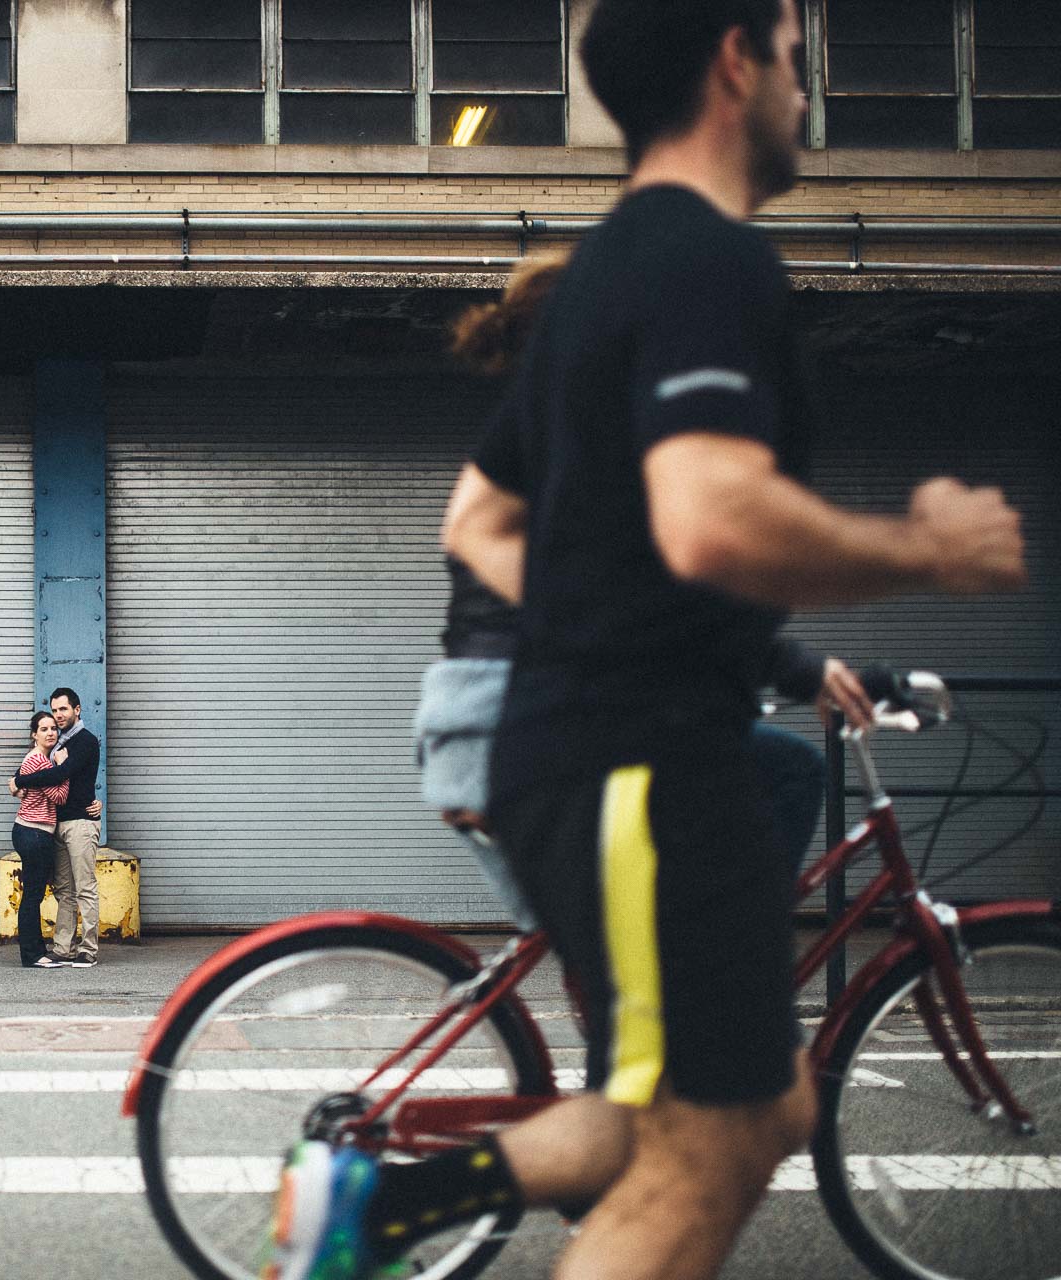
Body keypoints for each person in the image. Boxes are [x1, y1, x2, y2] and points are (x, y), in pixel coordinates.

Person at [270, 3, 1026, 1279]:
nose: (806, 82)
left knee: (758, 1110)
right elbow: (713, 519)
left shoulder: (602, 281)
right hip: (641, 768)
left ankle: (378, 1211)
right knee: (698, 1151)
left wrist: (607, 617)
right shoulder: (704, 260)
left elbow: (482, 514)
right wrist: (930, 548)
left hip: (604, 752)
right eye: (796, 50)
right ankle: (379, 1208)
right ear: (737, 57)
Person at [418, 261, 876, 932]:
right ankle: (739, 966)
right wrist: (800, 668)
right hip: (536, 732)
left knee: (627, 969)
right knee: (784, 778)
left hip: (466, 734)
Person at [10, 688, 104, 968]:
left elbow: (60, 775)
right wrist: (18, 777)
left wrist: (20, 781)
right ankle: (63, 947)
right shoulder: (57, 743)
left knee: (85, 887)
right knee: (64, 889)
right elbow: (37, 767)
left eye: (64, 709)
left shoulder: (85, 741)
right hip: (55, 825)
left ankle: (88, 949)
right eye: (55, 710)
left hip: (81, 824)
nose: (59, 715)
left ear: (78, 710)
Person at [11, 711, 72, 969]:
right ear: (33, 734)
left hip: (31, 832)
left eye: (52, 729)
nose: (50, 733)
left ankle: (36, 951)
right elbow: (59, 797)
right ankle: (32, 955)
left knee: (32, 895)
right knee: (33, 896)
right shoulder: (41, 762)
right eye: (44, 729)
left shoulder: (37, 759)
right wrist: (64, 767)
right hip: (34, 833)